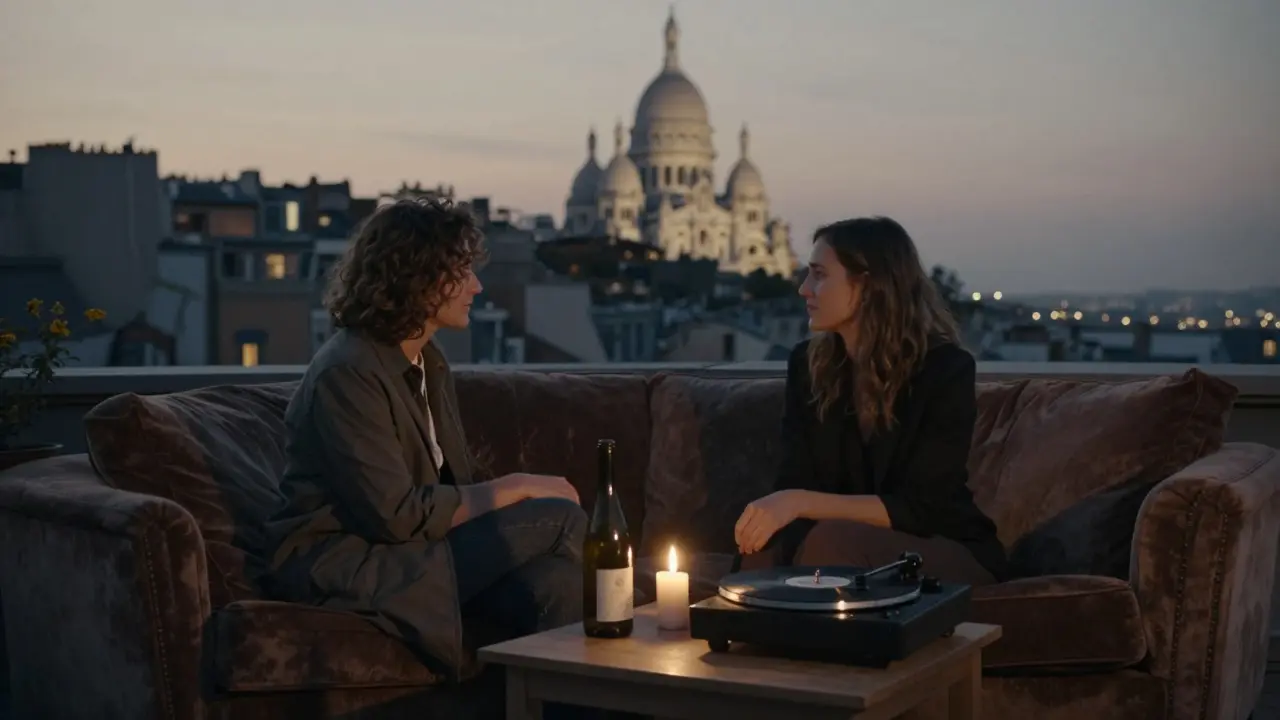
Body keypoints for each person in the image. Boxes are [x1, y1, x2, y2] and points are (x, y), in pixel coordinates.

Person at [262, 198, 592, 716]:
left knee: (561, 584)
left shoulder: (425, 362)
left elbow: (445, 485)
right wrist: (516, 487)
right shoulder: (347, 372)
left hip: (419, 549)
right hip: (350, 560)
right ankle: (638, 619)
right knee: (556, 516)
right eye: (461, 272)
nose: (477, 287)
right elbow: (395, 515)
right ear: (416, 277)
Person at [734, 216, 1007, 586]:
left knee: (832, 542)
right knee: (762, 547)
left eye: (819, 275)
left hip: (942, 544)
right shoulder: (808, 366)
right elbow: (794, 479)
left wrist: (797, 502)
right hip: (839, 541)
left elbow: (923, 507)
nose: (804, 289)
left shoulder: (946, 370)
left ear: (866, 285)